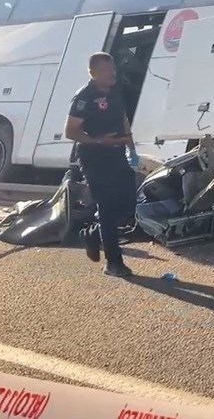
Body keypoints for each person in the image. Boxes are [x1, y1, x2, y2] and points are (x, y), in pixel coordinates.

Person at [64, 52, 136, 277]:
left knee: (128, 204)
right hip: (94, 157)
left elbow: (123, 119)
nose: (111, 73)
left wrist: (132, 149)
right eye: (105, 70)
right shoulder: (84, 97)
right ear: (92, 73)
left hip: (117, 154)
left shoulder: (115, 91)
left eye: (112, 68)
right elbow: (70, 131)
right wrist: (98, 141)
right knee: (107, 206)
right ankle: (113, 263)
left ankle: (93, 234)